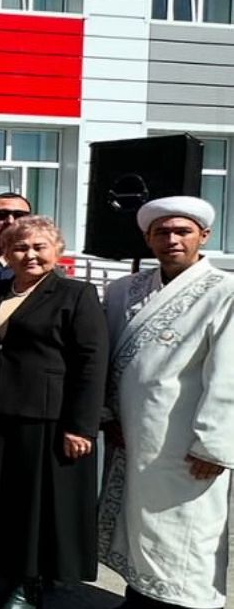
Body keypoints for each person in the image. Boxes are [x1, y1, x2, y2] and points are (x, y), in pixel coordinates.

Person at [98, 196, 234, 609]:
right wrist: (108, 413)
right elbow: (105, 355)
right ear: (148, 238)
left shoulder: (225, 291)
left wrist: (214, 444)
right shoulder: (124, 290)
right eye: (162, 232)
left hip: (187, 438)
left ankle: (185, 603)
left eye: (182, 231)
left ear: (203, 236)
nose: (172, 239)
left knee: (189, 526)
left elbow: (228, 372)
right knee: (139, 523)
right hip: (132, 432)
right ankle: (141, 595)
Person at [0, 216, 107, 609]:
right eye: (20, 247)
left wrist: (82, 426)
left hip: (48, 416)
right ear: (5, 253)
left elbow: (92, 361)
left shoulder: (76, 294)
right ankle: (2, 568)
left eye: (39, 247)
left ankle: (30, 584)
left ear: (56, 251)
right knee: (1, 500)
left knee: (37, 508)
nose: (30, 254)